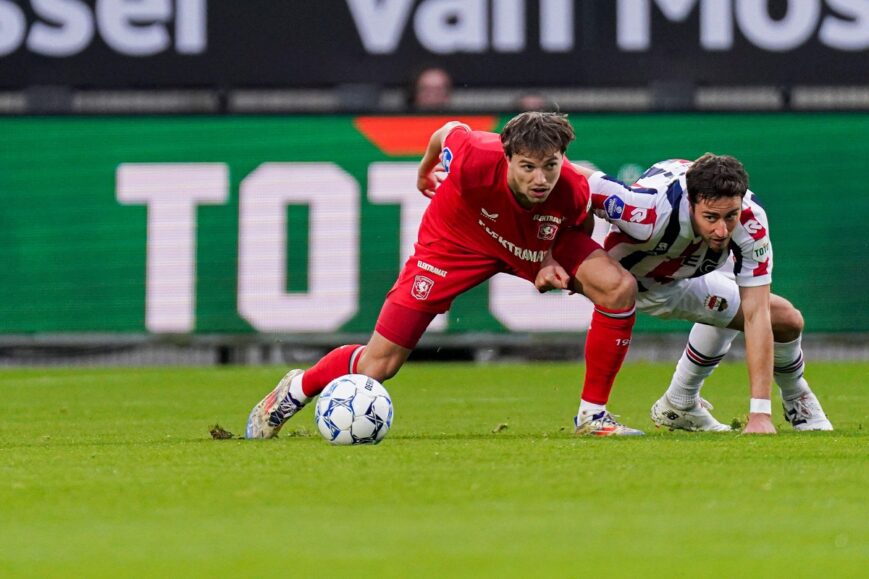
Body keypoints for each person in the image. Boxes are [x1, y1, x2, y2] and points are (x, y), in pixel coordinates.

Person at [246, 112, 643, 439]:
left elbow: (578, 226)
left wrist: (549, 258)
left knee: (618, 288)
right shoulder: (473, 155)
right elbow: (446, 131)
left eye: (550, 166)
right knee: (378, 367)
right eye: (527, 167)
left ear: (562, 158)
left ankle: (593, 416)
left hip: (529, 245)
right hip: (455, 243)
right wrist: (424, 171)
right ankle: (295, 390)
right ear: (508, 158)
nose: (540, 179)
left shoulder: (573, 186)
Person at [538, 155, 832, 434]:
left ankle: (791, 397)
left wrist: (760, 415)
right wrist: (549, 254)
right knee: (740, 305)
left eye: (730, 216)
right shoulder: (645, 209)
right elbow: (568, 173)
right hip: (630, 283)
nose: (721, 230)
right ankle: (603, 411)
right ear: (691, 203)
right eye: (711, 217)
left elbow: (756, 312)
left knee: (786, 319)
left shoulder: (750, 221)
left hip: (681, 278)